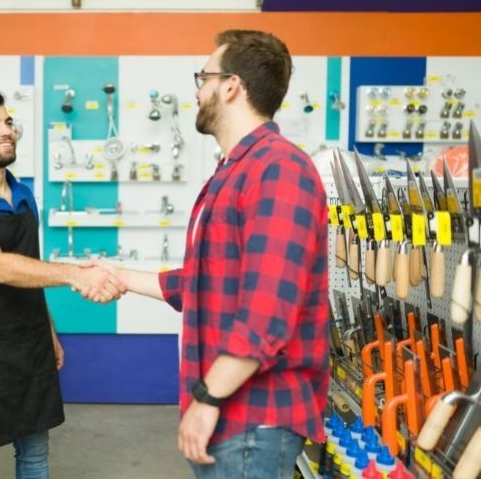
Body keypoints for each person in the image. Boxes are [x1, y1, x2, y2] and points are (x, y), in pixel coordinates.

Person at [91, 30, 330, 478]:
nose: (198, 91)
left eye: (203, 78)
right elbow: (205, 280)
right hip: (233, 415)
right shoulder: (234, 171)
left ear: (231, 86)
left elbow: (267, 312)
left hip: (254, 416)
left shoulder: (278, 169)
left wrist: (207, 398)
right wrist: (120, 276)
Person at [0, 90, 125, 479]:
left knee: (35, 455)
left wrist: (49, 332)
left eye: (7, 122)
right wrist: (75, 273)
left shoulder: (23, 195)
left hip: (30, 347)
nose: (6, 131)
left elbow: (30, 271)